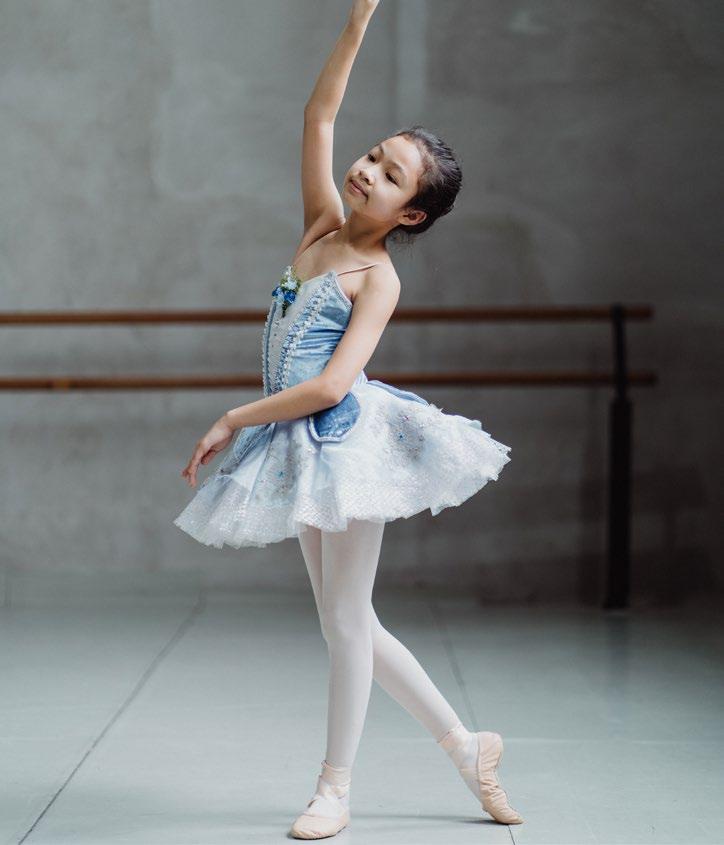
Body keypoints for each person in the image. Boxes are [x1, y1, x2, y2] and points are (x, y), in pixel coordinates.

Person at [174, 0, 523, 838]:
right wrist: (360, 20)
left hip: (347, 443)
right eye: (373, 156)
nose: (366, 172)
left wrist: (235, 416)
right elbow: (318, 114)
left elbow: (333, 386)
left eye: (391, 176)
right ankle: (467, 745)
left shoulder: (378, 279)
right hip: (300, 444)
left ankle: (335, 788)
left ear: (411, 215)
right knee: (349, 621)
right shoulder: (321, 225)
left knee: (343, 620)